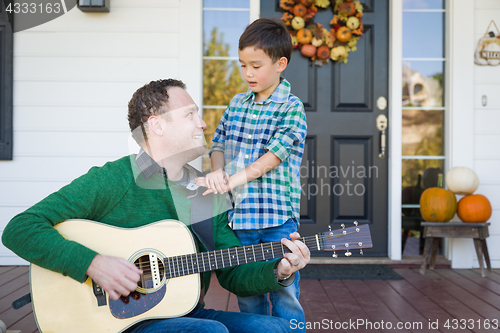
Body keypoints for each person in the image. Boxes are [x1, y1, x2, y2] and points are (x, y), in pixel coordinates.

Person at [2, 79, 311, 333]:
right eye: (190, 114)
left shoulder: (204, 192)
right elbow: (20, 228)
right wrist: (93, 264)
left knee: (275, 329)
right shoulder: (115, 178)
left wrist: (280, 269)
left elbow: (232, 273)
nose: (202, 123)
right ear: (157, 125)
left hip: (182, 312)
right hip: (116, 323)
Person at [195, 18, 307, 330]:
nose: (248, 74)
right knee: (248, 293)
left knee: (285, 294)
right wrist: (218, 174)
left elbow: (270, 159)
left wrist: (231, 179)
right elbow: (217, 143)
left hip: (277, 220)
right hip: (240, 219)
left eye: (256, 66)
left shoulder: (291, 108)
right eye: (243, 65)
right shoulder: (236, 104)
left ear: (280, 63)